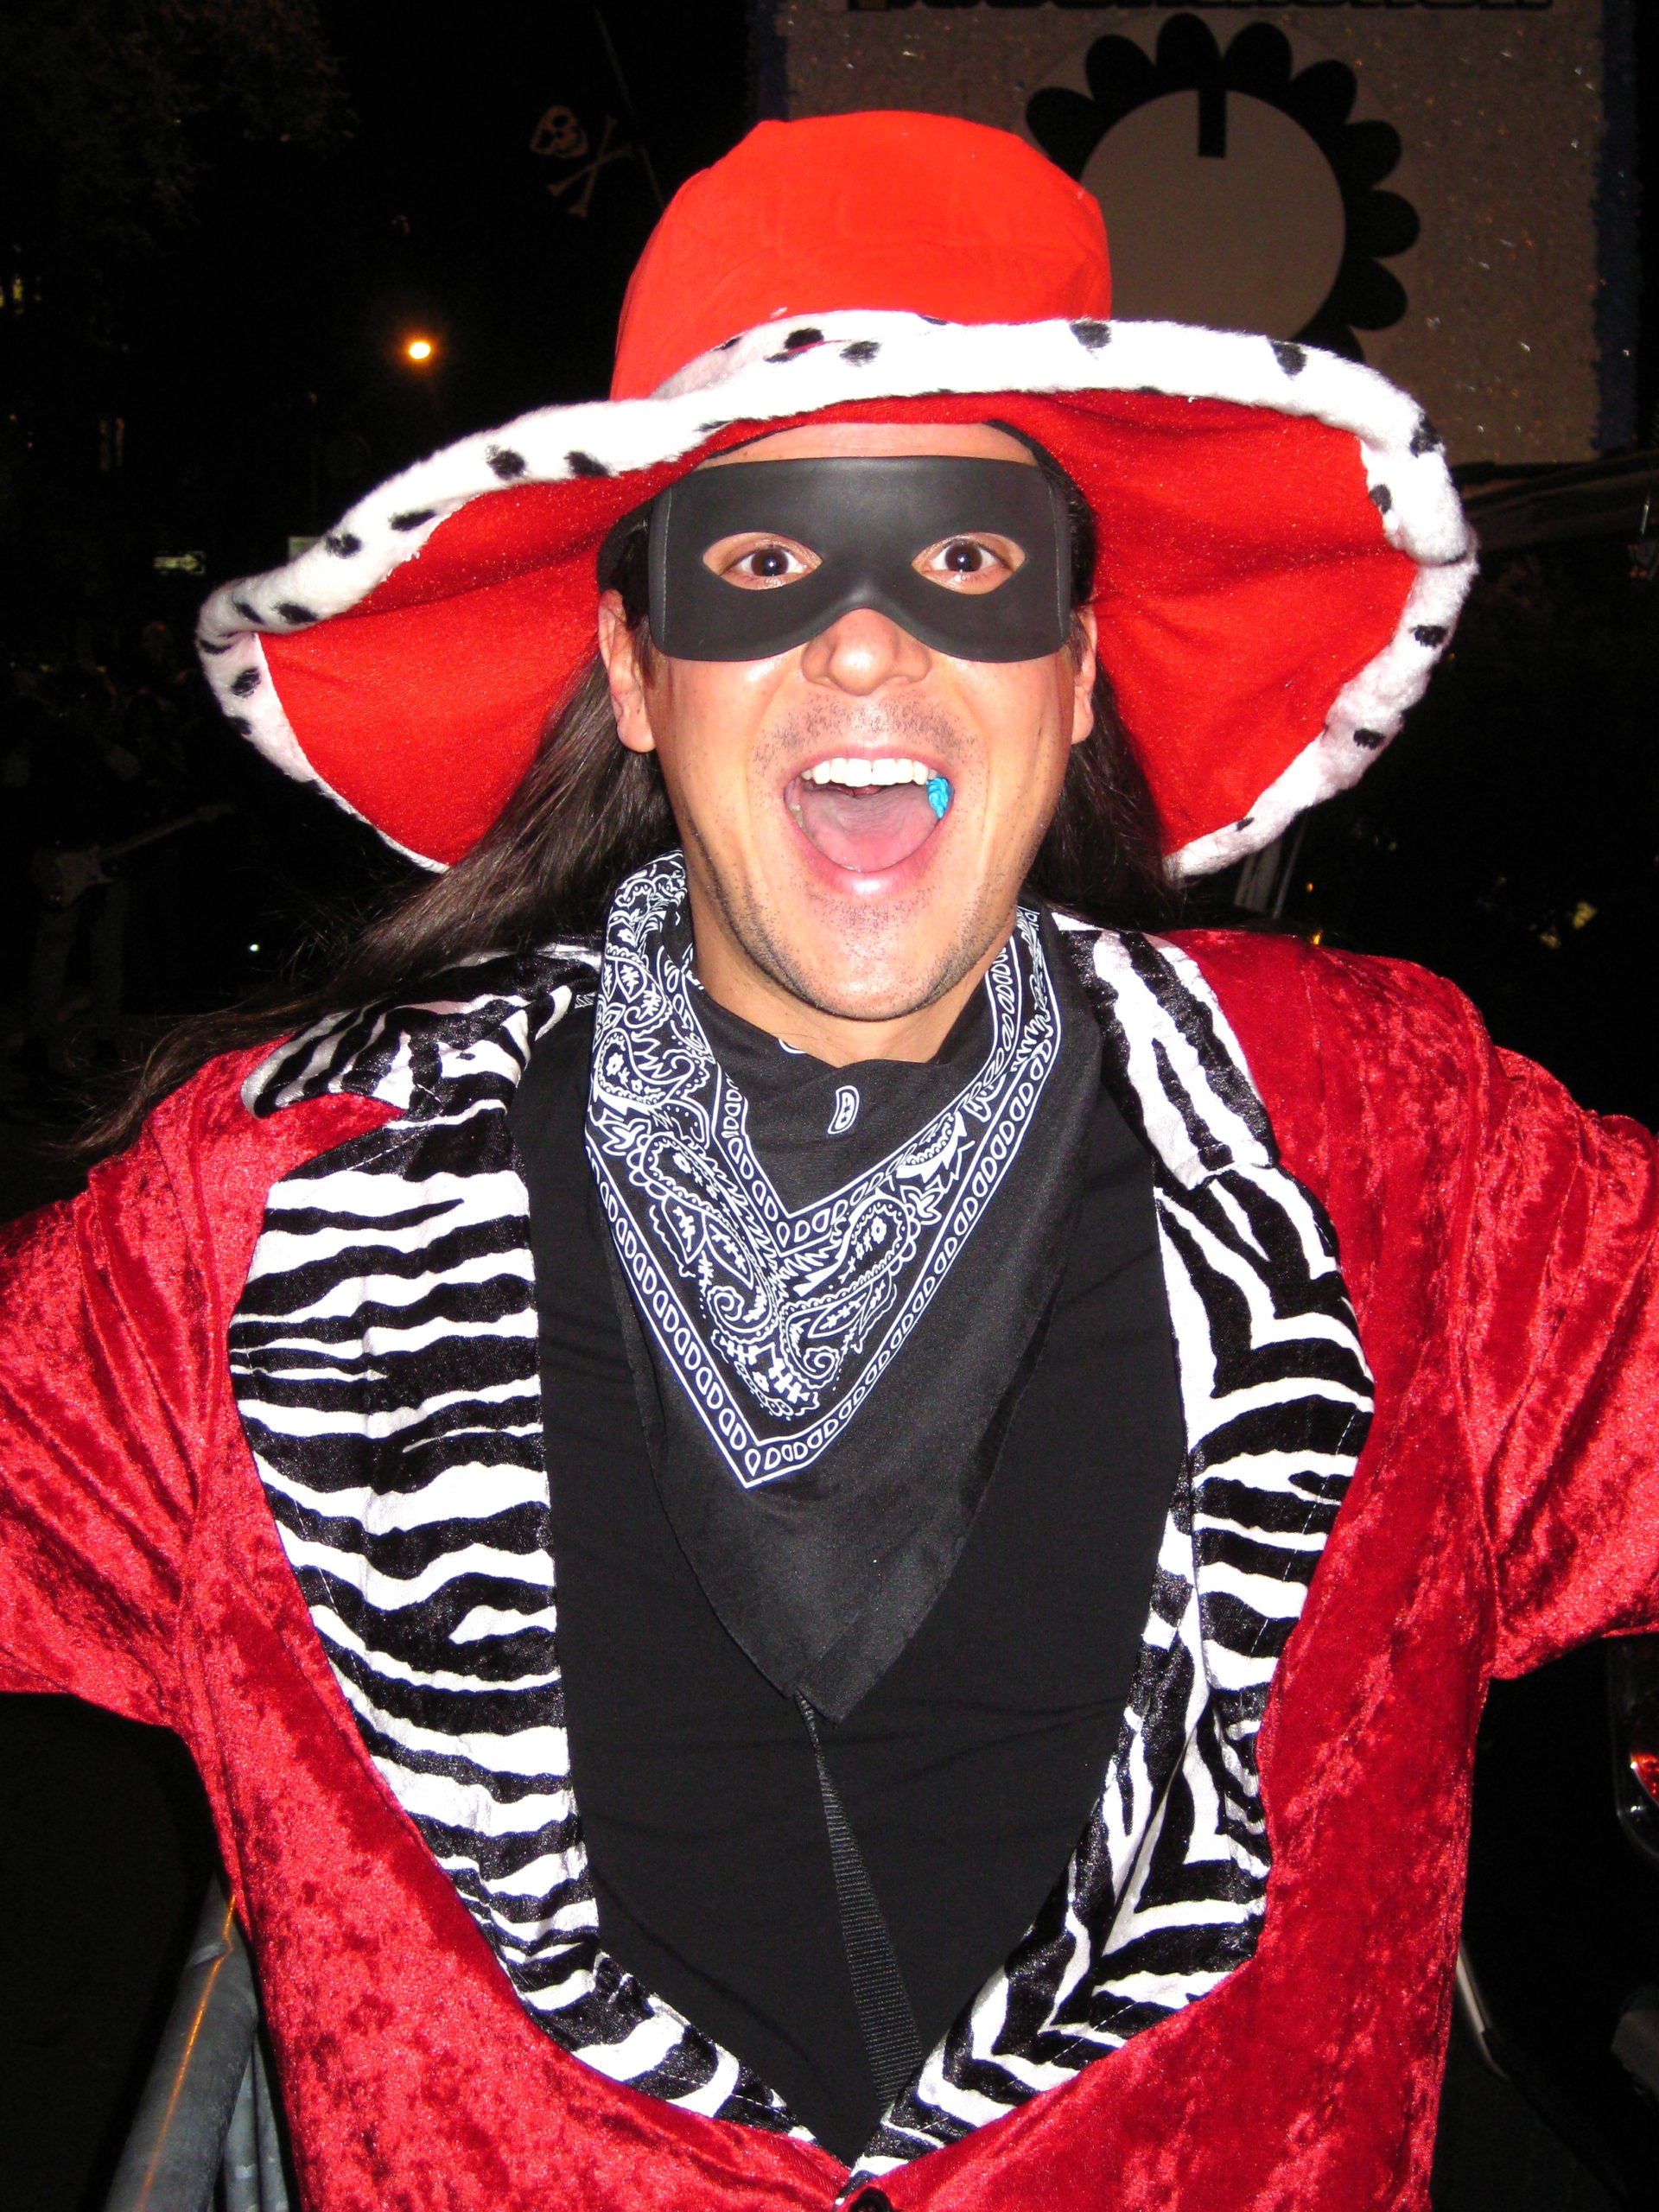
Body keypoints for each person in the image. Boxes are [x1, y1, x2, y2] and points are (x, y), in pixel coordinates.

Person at [2, 111, 1656, 2212]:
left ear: (1077, 670)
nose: (866, 647)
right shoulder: (253, 1222)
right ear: (634, 669)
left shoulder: (1404, 1155)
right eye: (766, 568)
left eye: (965, 565)